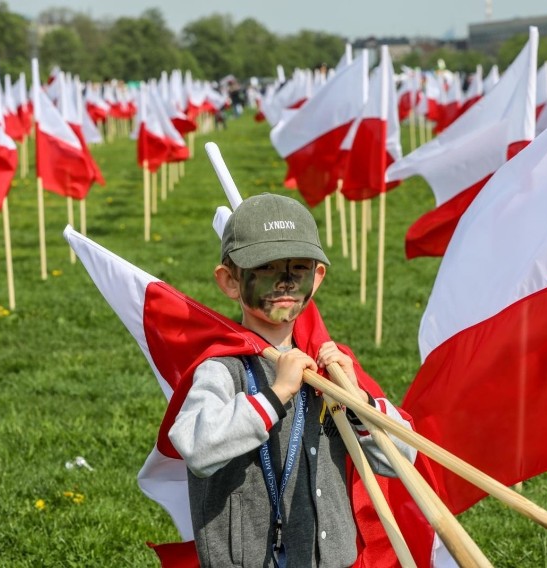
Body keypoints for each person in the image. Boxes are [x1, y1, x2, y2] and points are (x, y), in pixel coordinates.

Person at [169, 193, 416, 567]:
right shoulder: (221, 368)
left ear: (317, 278)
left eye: (298, 268)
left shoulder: (330, 367)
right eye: (265, 268)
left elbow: (403, 458)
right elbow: (196, 446)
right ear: (230, 281)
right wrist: (276, 393)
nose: (284, 282)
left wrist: (358, 402)